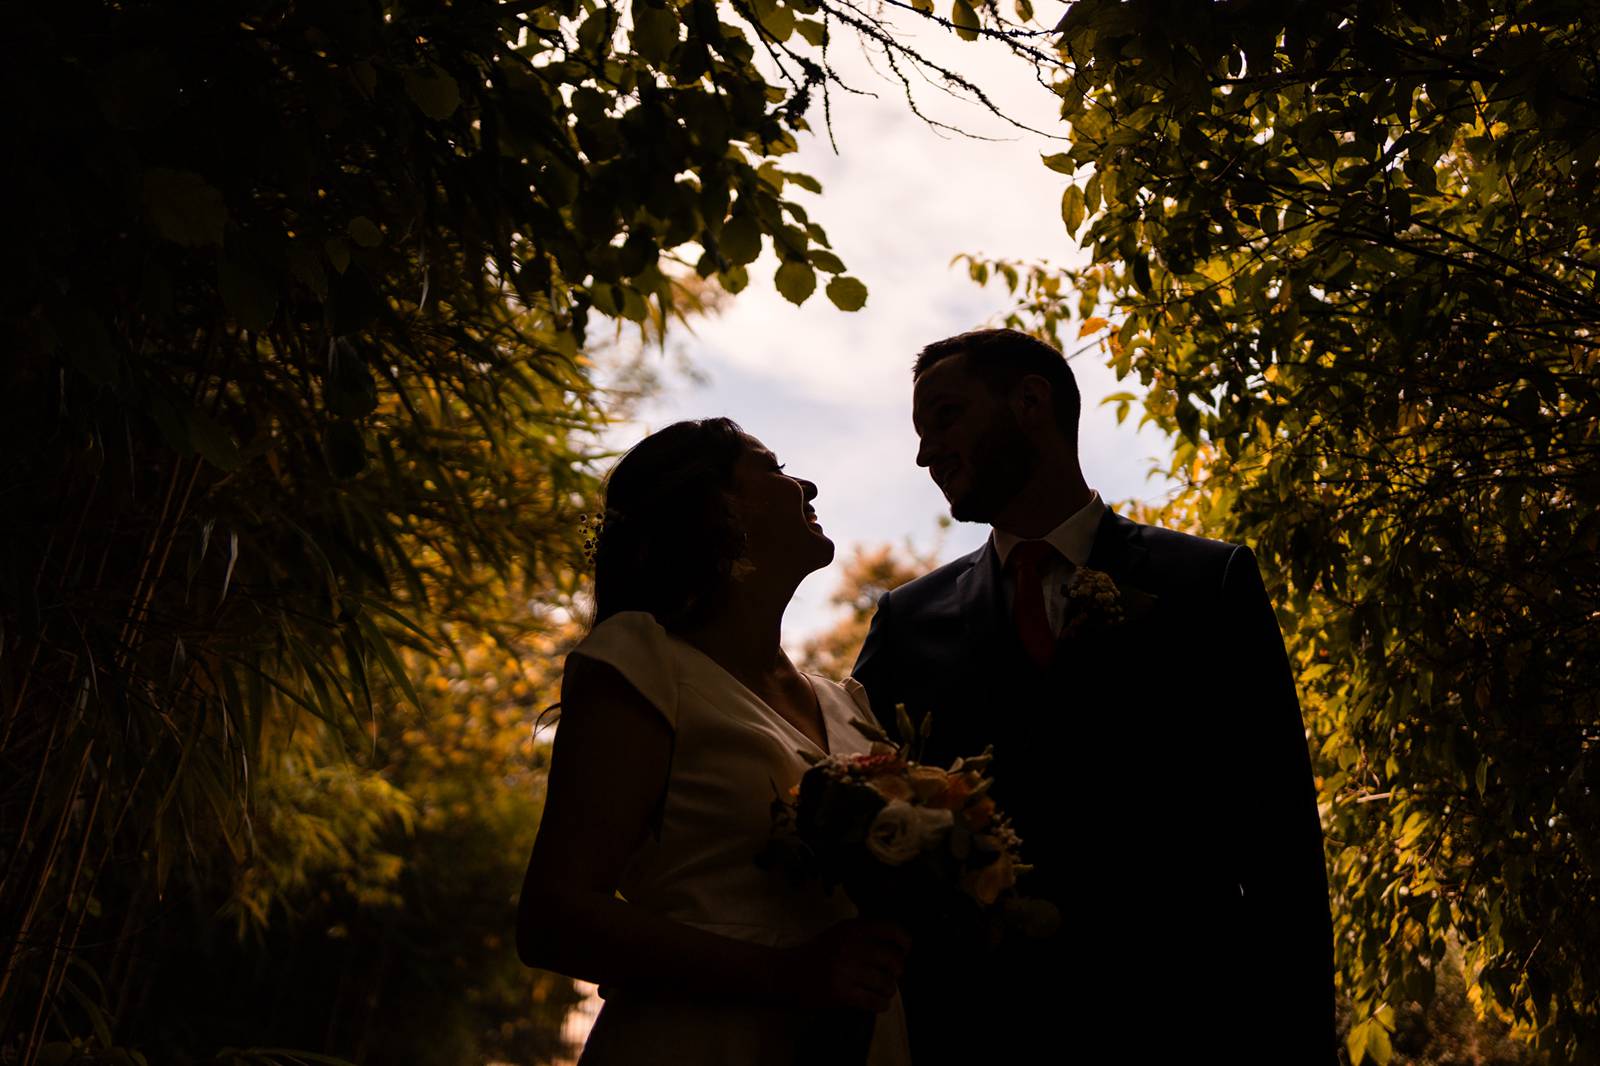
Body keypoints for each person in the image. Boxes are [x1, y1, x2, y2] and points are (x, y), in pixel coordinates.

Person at [852, 328, 1337, 1064]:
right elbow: (865, 830)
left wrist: (1302, 1039)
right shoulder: (908, 621)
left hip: (1188, 1021)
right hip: (980, 1029)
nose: (925, 455)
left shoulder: (1209, 584)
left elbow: (1280, 839)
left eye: (945, 417)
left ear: (1030, 401)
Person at [517, 418, 912, 1065]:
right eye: (775, 466)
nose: (806, 484)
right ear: (715, 503)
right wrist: (789, 974)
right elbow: (553, 918)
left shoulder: (851, 707)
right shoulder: (643, 660)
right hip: (699, 1038)